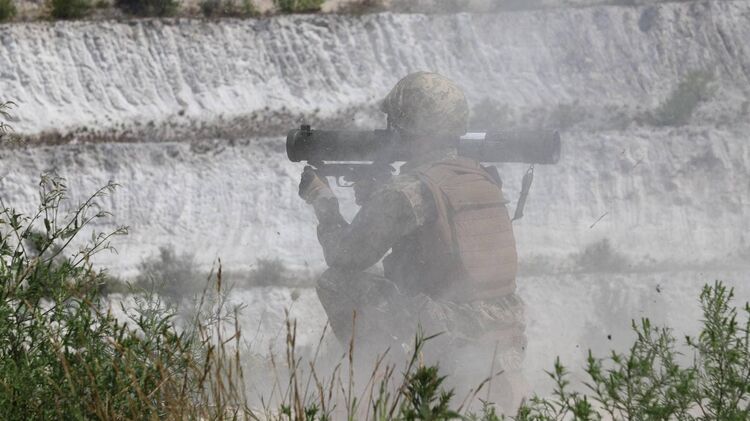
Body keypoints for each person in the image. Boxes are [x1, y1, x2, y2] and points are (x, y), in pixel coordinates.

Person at [298, 72, 526, 408]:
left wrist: (323, 201)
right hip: (505, 324)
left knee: (336, 281)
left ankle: (385, 392)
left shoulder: (409, 190)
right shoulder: (480, 175)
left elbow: (345, 254)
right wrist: (377, 198)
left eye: (394, 124)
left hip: (454, 330)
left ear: (411, 129)